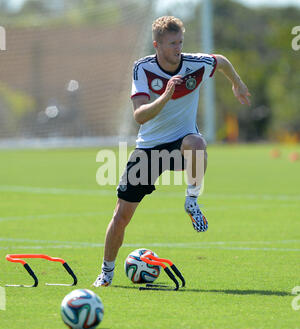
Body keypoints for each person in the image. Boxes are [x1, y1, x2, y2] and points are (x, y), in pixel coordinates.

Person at [93, 16, 251, 287]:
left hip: (181, 144)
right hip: (149, 149)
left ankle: (192, 200)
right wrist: (166, 95)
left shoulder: (194, 63)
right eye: (171, 43)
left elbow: (221, 61)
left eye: (180, 42)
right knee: (121, 217)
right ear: (157, 45)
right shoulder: (142, 68)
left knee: (197, 143)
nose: (178, 48)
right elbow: (140, 116)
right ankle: (106, 273)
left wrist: (237, 82)